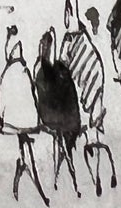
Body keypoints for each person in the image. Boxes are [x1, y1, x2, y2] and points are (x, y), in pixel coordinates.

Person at [61, 0, 116, 195]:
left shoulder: (70, 39)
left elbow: (64, 64)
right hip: (94, 81)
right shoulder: (83, 38)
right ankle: (100, 174)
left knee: (88, 129)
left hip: (88, 85)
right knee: (93, 125)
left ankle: (96, 176)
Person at [0, 26, 48, 204]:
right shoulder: (21, 72)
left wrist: (1, 119)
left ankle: (22, 163)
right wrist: (37, 119)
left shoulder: (7, 73)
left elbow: (1, 100)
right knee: (26, 144)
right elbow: (32, 98)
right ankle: (26, 166)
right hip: (23, 121)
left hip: (12, 122)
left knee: (23, 141)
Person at [32, 26, 83, 195]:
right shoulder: (51, 71)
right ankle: (67, 161)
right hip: (62, 120)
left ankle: (66, 161)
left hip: (55, 119)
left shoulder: (45, 71)